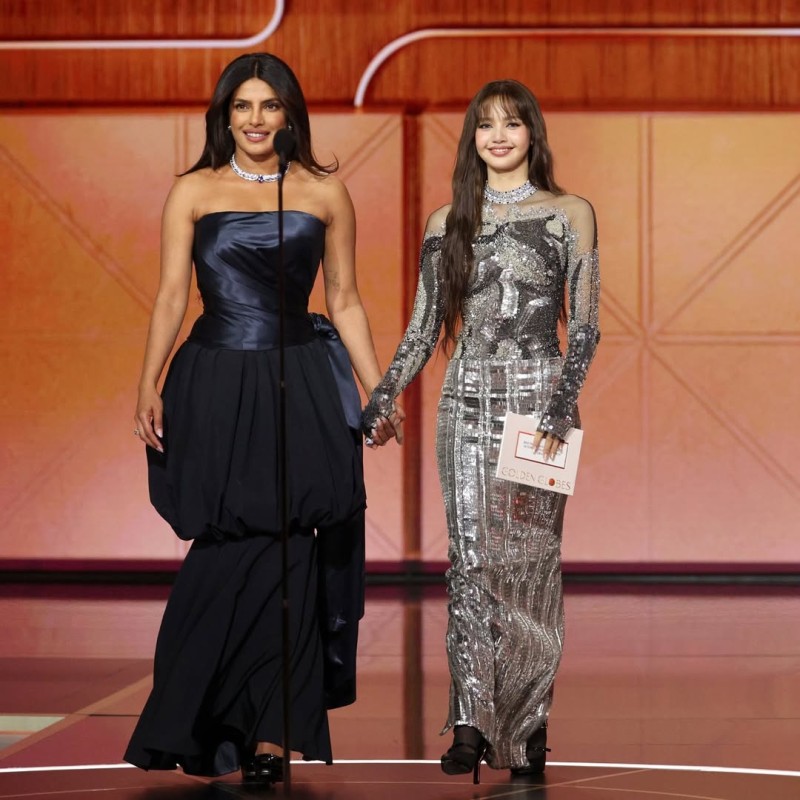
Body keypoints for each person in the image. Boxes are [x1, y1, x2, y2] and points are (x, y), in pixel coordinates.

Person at [124, 52, 401, 785]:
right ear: (224, 116)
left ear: (289, 115)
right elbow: (170, 295)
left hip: (300, 378)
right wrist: (148, 382)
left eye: (268, 105)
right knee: (226, 541)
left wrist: (378, 388)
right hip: (215, 378)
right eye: (241, 106)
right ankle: (203, 718)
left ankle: (276, 731)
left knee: (294, 545)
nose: (254, 119)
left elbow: (344, 298)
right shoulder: (192, 190)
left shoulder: (325, 191)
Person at [363, 79, 600, 782]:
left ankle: (526, 730)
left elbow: (586, 324)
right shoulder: (447, 222)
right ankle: (469, 721)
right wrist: (382, 397)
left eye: (512, 123)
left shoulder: (570, 213)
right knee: (468, 562)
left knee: (531, 566)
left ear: (532, 134)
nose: (498, 136)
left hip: (540, 403)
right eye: (486, 125)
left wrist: (560, 407)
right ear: (472, 138)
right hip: (465, 399)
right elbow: (423, 328)